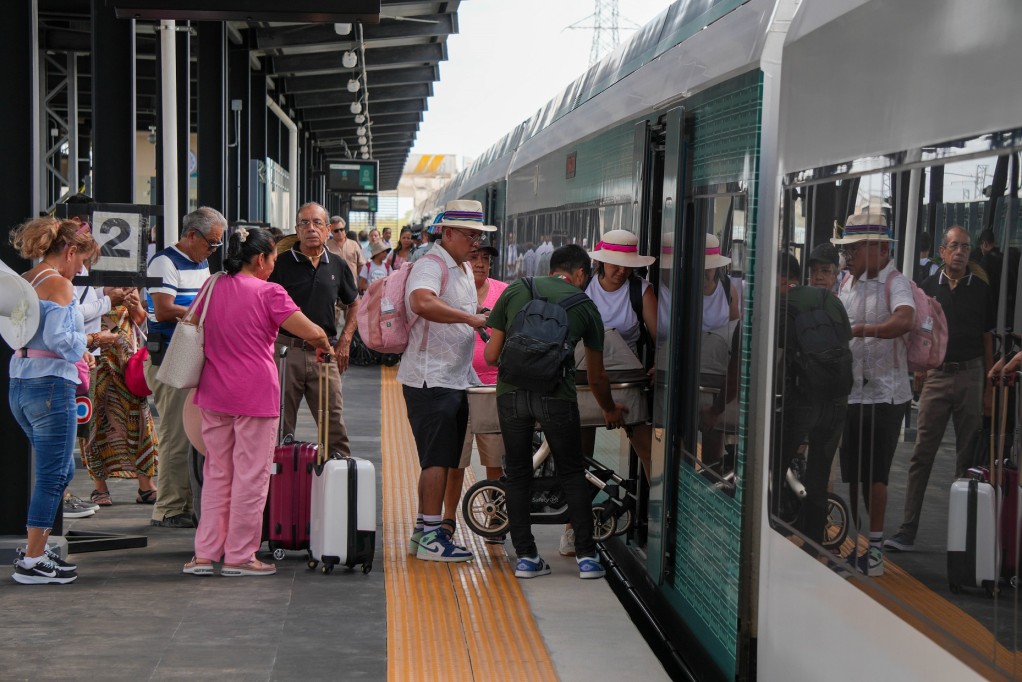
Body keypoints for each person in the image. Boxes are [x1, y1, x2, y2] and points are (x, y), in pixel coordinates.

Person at [183, 227, 330, 577]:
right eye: (273, 259)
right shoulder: (270, 292)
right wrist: (324, 342)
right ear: (261, 258)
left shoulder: (212, 285)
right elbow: (311, 331)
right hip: (255, 396)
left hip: (214, 394)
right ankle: (240, 556)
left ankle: (204, 555)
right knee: (251, 476)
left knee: (218, 472)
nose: (273, 266)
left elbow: (191, 322)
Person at [485, 244, 626, 579]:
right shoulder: (586, 306)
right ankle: (588, 559)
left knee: (518, 473)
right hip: (556, 397)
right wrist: (609, 409)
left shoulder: (517, 289)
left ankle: (526, 559)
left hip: (512, 395)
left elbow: (492, 356)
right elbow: (596, 376)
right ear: (579, 273)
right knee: (572, 473)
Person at [885, 226, 993, 553]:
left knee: (966, 459)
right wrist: (920, 370)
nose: (961, 252)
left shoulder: (982, 290)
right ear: (942, 252)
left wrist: (988, 387)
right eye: (955, 246)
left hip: (972, 374)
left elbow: (988, 338)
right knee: (921, 455)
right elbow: (920, 334)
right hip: (937, 376)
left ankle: (962, 538)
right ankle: (907, 530)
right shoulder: (928, 288)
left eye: (966, 247)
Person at [398, 199, 493, 563]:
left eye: (478, 235)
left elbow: (458, 308)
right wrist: (470, 321)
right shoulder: (431, 264)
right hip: (430, 379)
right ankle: (432, 538)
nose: (475, 243)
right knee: (436, 460)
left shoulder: (462, 268)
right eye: (470, 235)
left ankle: (424, 531)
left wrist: (476, 314)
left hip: (451, 379)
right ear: (448, 233)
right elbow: (421, 302)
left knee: (441, 458)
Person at [7, 216, 96, 583]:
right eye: (83, 260)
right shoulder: (59, 285)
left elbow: (15, 331)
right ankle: (32, 560)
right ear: (70, 251)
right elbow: (64, 342)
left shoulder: (26, 281)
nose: (83, 269)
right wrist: (87, 344)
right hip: (50, 387)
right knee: (52, 474)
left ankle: (37, 551)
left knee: (57, 470)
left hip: (21, 382)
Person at [832, 212, 915, 576]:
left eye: (853, 248)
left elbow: (905, 319)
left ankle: (876, 553)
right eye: (846, 249)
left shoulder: (895, 282)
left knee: (875, 474)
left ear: (879, 248)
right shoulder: (846, 282)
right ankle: (855, 543)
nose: (847, 256)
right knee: (853, 472)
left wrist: (865, 329)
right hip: (852, 392)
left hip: (886, 394)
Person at [146, 207, 225, 528]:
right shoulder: (164, 262)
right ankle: (168, 507)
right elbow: (163, 309)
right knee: (175, 435)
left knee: (193, 435)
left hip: (191, 357)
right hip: (170, 358)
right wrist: (205, 312)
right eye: (211, 243)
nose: (214, 250)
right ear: (191, 235)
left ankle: (186, 502)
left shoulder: (201, 261)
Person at [269, 202, 360, 458]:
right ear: (297, 230)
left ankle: (339, 486)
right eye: (304, 223)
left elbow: (354, 303)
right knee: (279, 424)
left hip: (325, 353)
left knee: (334, 426)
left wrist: (345, 341)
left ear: (328, 229)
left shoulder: (338, 266)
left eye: (317, 223)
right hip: (286, 352)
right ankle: (277, 489)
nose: (311, 228)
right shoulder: (280, 264)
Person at [773, 251, 852, 546]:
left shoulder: (782, 305)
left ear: (779, 278)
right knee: (818, 478)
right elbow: (845, 340)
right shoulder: (832, 301)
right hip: (837, 400)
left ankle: (775, 535)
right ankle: (813, 546)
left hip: (803, 400)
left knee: (772, 467)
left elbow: (775, 359)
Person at [443, 244, 509, 542]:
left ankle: (494, 519)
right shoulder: (452, 293)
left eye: (485, 259)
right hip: (458, 385)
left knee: (494, 460)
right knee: (455, 462)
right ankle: (447, 521)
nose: (480, 264)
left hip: (492, 389)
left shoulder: (504, 293)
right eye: (474, 258)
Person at [83, 282, 158, 507]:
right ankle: (100, 487)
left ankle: (146, 485)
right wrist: (103, 298)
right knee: (95, 421)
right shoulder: (85, 285)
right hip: (96, 360)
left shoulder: (128, 285)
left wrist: (135, 307)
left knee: (139, 417)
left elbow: (142, 323)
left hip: (125, 364)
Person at [699, 234, 741, 474]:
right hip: (694, 369)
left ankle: (710, 478)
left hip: (716, 372)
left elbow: (733, 331)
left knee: (713, 436)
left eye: (711, 269)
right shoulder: (683, 287)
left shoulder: (728, 290)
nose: (706, 273)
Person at [325, 216, 365, 282]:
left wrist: (358, 280)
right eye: (336, 231)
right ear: (331, 231)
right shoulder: (327, 246)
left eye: (341, 229)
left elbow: (360, 264)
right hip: (334, 284)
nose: (340, 232)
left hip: (352, 283)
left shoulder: (354, 244)